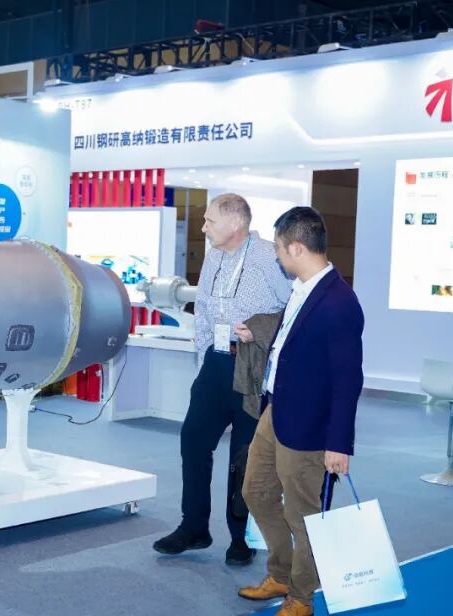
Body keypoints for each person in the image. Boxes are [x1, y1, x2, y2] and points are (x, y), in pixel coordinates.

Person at [235, 206, 364, 616]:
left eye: (278, 248)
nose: (276, 255)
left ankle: (301, 596)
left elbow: (348, 380)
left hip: (310, 426)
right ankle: (280, 572)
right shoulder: (302, 288)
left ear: (296, 247)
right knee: (255, 491)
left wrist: (338, 443)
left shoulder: (340, 302)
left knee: (304, 513)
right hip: (276, 410)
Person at [154, 193, 291, 565]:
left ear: (236, 223)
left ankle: (241, 536)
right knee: (193, 441)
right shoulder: (214, 256)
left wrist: (263, 343)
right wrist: (203, 362)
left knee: (244, 455)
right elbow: (202, 311)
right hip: (214, 364)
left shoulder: (267, 256)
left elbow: (291, 309)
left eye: (210, 221)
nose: (203, 228)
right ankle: (194, 527)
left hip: (251, 368)